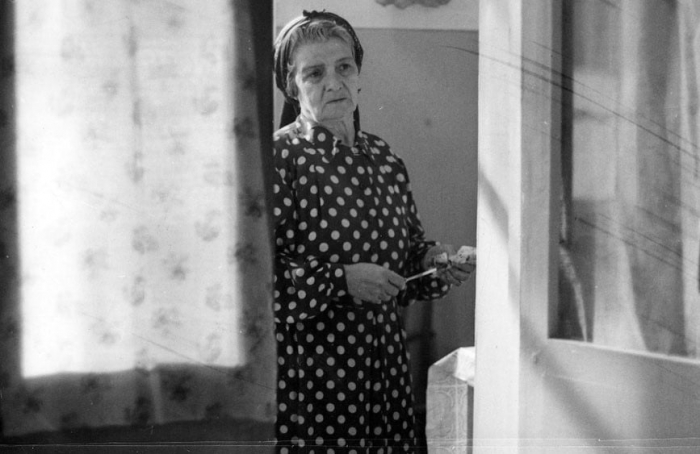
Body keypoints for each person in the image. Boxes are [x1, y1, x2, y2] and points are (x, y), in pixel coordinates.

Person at [271, 10, 475, 453]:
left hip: (386, 372)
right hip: (314, 380)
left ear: (358, 74)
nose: (334, 83)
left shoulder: (384, 159)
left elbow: (408, 260)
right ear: (292, 85)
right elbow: (258, 281)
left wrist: (436, 262)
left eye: (344, 67)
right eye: (314, 73)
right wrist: (341, 280)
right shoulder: (280, 159)